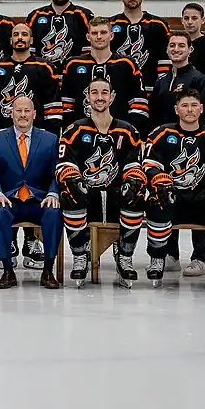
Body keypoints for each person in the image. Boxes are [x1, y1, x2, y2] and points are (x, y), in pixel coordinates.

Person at [143, 88, 205, 289]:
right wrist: (158, 177)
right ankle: (158, 258)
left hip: (203, 200)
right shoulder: (161, 134)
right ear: (176, 109)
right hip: (173, 199)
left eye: (194, 105)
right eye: (185, 105)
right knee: (158, 195)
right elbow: (148, 163)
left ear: (201, 109)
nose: (189, 110)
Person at [56, 79, 146, 287]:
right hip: (86, 195)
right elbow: (64, 163)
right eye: (94, 92)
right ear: (87, 97)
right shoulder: (74, 129)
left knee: (136, 190)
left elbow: (134, 164)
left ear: (112, 97)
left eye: (104, 92)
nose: (99, 97)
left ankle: (124, 256)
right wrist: (73, 178)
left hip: (116, 196)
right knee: (71, 189)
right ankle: (80, 255)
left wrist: (132, 180)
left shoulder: (128, 131)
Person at [0, 96, 63, 289]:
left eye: (27, 111)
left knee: (54, 212)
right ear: (11, 113)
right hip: (10, 200)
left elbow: (57, 172)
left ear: (34, 114)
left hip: (39, 201)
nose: (23, 115)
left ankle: (48, 270)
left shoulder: (50, 140)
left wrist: (53, 193)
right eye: (18, 111)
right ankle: (7, 271)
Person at [60, 16, 148, 131]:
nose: (99, 37)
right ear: (88, 37)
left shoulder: (127, 64)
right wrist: (74, 129)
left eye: (103, 32)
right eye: (94, 33)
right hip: (82, 133)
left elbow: (139, 102)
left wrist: (127, 129)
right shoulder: (73, 65)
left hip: (119, 132)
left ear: (111, 36)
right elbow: (66, 104)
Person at [0, 22, 62, 135]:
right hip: (1, 132)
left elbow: (53, 105)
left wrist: (51, 135)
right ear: (11, 40)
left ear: (31, 40)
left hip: (36, 132)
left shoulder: (45, 67)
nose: (20, 38)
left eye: (24, 34)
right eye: (16, 34)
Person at [110, 0, 170, 93]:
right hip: (117, 89)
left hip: (150, 89)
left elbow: (165, 60)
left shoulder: (158, 25)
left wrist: (162, 87)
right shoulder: (111, 24)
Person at [26, 0, 93, 72]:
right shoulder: (35, 15)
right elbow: (29, 50)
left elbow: (90, 49)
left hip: (74, 74)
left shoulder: (84, 15)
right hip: (42, 75)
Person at [149, 31, 205, 130]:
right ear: (167, 50)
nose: (176, 49)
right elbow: (153, 114)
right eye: (172, 45)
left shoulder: (199, 80)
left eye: (181, 46)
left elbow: (203, 115)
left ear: (190, 50)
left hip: (188, 135)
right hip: (163, 135)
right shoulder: (161, 81)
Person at [182, 2, 205, 80]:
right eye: (186, 18)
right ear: (182, 20)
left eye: (194, 18)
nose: (190, 22)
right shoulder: (177, 44)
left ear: (203, 20)